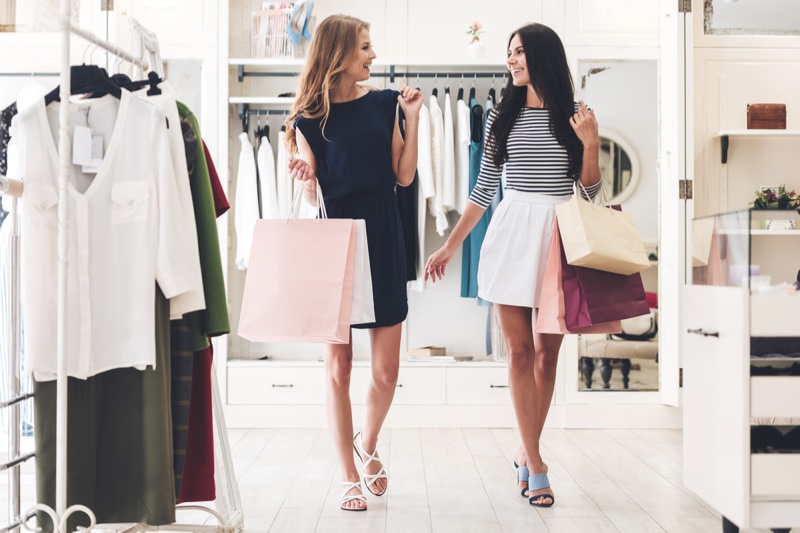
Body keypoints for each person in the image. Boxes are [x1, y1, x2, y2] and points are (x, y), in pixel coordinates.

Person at [425, 22, 602, 508]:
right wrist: (450, 246)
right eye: (509, 53)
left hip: (559, 234)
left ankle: (527, 451)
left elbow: (591, 194)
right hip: (511, 233)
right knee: (520, 353)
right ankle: (538, 463)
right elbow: (483, 193)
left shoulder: (576, 115)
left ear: (542, 55)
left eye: (520, 52)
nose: (512, 60)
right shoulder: (500, 117)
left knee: (549, 355)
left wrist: (590, 146)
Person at [285, 14, 423, 511]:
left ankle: (367, 444)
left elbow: (404, 177)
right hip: (334, 241)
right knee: (338, 367)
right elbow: (309, 191)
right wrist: (303, 174)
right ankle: (346, 471)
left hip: (384, 235)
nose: (373, 56)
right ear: (340, 53)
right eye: (366, 47)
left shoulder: (386, 104)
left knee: (385, 373)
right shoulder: (306, 119)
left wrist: (413, 118)